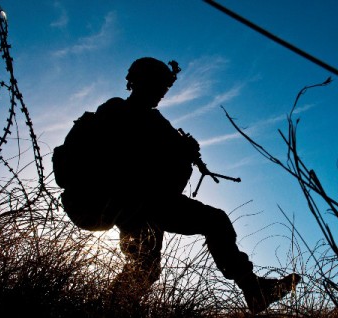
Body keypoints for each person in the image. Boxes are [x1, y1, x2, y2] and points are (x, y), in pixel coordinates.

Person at [69, 56, 300, 314]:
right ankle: (252, 289)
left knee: (151, 264)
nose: (161, 94)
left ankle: (253, 290)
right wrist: (175, 152)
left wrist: (183, 158)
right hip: (124, 200)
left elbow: (171, 186)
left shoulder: (156, 123)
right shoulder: (117, 112)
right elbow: (124, 161)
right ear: (138, 83)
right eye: (158, 86)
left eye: (164, 89)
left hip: (145, 202)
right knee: (178, 244)